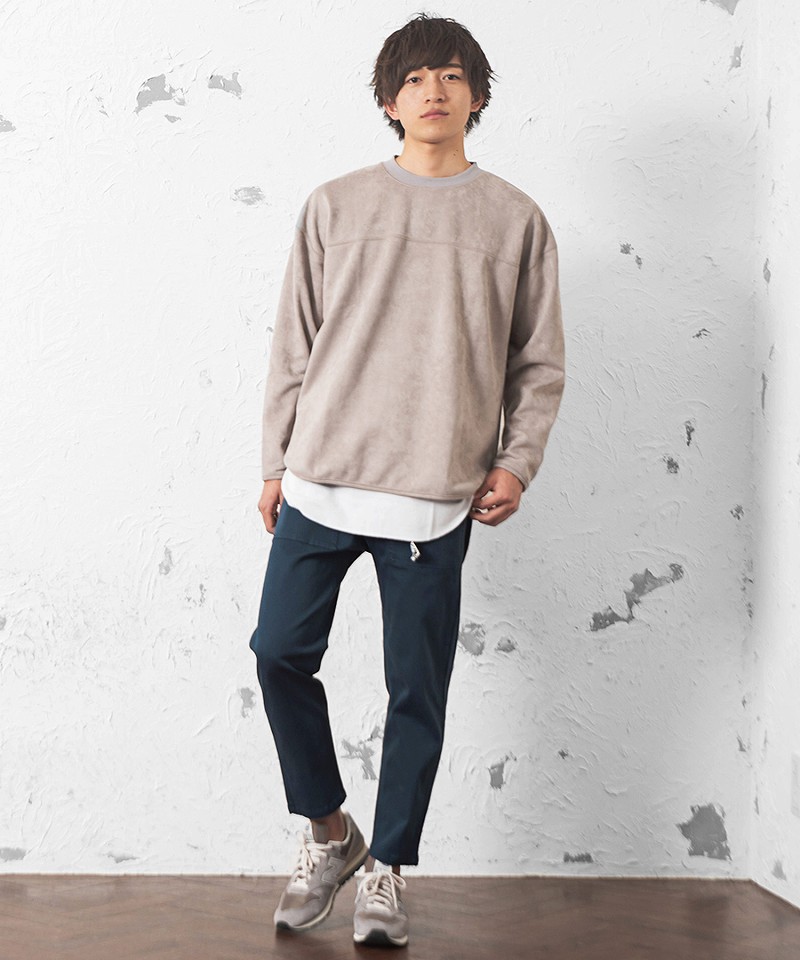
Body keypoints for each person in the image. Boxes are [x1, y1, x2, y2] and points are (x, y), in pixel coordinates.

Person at [248, 12, 565, 949]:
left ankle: (387, 866)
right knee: (278, 653)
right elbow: (293, 342)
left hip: (435, 493)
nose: (434, 90)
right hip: (322, 479)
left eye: (453, 75)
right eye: (417, 77)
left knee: (414, 692)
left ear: (478, 96)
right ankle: (329, 832)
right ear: (389, 101)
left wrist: (517, 460)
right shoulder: (335, 205)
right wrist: (274, 460)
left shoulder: (515, 220)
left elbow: (538, 361)